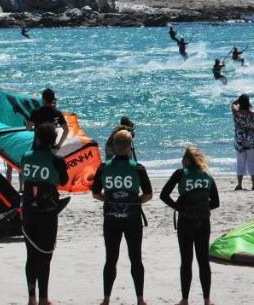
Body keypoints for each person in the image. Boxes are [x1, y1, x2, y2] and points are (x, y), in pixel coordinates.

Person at [93, 129, 153, 305]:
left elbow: (95, 193)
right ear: (129, 147)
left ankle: (106, 299)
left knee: (110, 259)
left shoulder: (104, 167)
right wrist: (135, 202)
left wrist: (109, 200)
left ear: (113, 146)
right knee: (136, 258)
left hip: (110, 219)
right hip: (132, 219)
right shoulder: (138, 168)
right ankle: (140, 299)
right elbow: (148, 194)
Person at [160, 146, 219, 305]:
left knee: (186, 261)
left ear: (187, 160)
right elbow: (216, 203)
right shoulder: (207, 176)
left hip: (186, 221)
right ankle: (207, 300)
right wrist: (202, 208)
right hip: (203, 221)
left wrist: (180, 208)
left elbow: (163, 195)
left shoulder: (180, 174)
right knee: (203, 261)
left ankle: (184, 300)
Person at [21, 120, 69, 305]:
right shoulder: (57, 160)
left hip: (28, 210)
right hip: (47, 212)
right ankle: (43, 298)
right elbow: (63, 181)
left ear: (37, 138)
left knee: (31, 255)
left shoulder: (26, 156)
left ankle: (31, 298)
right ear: (53, 140)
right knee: (45, 256)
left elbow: (26, 175)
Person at [231, 94, 254, 191]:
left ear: (240, 102)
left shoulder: (236, 112)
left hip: (240, 140)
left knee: (240, 162)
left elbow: (233, 104)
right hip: (253, 140)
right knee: (253, 161)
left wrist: (237, 101)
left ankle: (239, 184)